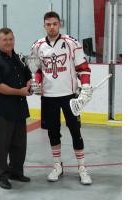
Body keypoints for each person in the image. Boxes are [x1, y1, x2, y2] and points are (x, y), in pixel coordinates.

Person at [31, 11, 92, 185]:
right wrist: (36, 82)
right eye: (48, 24)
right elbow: (36, 70)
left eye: (54, 24)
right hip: (49, 97)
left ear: (59, 24)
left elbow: (83, 67)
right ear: (44, 26)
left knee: (75, 131)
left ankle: (82, 167)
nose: (52, 27)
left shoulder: (72, 43)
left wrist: (85, 86)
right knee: (53, 133)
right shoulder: (38, 45)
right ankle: (57, 166)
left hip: (69, 96)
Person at [0, 28, 32, 189]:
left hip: (19, 108)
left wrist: (30, 84)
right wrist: (20, 91)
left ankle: (16, 171)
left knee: (19, 144)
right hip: (2, 110)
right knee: (1, 145)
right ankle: (2, 175)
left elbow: (27, 76)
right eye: (5, 40)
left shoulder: (18, 59)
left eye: (11, 39)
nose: (8, 42)